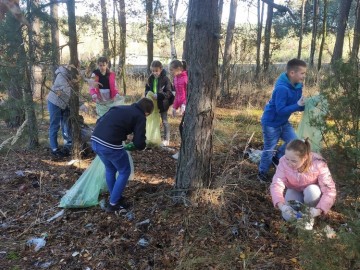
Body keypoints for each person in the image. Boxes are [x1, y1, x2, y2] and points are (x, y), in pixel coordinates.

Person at [91, 98, 154, 213]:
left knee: (110, 168)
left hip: (95, 140)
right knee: (125, 170)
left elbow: (99, 121)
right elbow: (139, 142)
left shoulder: (120, 108)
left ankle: (115, 197)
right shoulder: (140, 116)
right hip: (109, 145)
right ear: (147, 113)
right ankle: (113, 204)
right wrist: (137, 146)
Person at [270, 138, 336, 230]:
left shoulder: (319, 163)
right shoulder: (283, 162)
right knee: (287, 216)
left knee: (312, 191)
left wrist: (318, 210)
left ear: (304, 158)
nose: (289, 163)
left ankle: (309, 216)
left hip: (311, 193)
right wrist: (282, 206)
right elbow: (277, 184)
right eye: (287, 158)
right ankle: (298, 216)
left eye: (293, 161)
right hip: (294, 190)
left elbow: (329, 190)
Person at [258, 58, 307, 182]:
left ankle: (278, 157)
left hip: (283, 122)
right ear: (292, 73)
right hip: (271, 123)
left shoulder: (298, 86)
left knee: (294, 141)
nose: (304, 76)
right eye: (302, 73)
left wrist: (307, 105)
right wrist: (297, 105)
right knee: (269, 149)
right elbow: (281, 110)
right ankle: (262, 173)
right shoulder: (281, 88)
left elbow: (298, 105)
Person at [145, 60, 174, 146]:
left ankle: (166, 139)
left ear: (161, 69)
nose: (154, 73)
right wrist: (148, 94)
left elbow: (169, 92)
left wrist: (158, 95)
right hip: (152, 104)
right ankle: (153, 137)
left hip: (162, 104)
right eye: (153, 71)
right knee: (152, 121)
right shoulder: (150, 78)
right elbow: (147, 90)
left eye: (156, 71)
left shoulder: (165, 79)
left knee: (164, 121)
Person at [47, 65, 73, 157]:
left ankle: (68, 146)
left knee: (66, 125)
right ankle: (54, 149)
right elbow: (67, 91)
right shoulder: (61, 75)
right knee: (55, 125)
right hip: (54, 102)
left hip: (64, 103)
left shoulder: (72, 75)